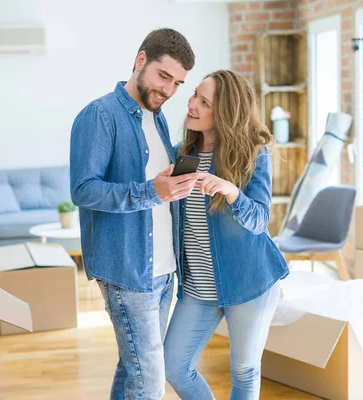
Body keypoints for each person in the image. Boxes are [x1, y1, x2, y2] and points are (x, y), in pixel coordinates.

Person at [69, 28, 198, 399]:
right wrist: (150, 192)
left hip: (162, 269)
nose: (169, 91)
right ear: (141, 60)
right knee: (149, 382)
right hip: (127, 271)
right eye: (163, 76)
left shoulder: (156, 117)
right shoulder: (99, 115)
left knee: (133, 370)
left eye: (177, 83)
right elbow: (83, 189)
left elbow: (156, 180)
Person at [164, 70, 289, 400]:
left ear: (224, 113)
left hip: (250, 281)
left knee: (244, 371)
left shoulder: (253, 154)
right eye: (194, 96)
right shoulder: (182, 155)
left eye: (204, 103)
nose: (191, 105)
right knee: (174, 366)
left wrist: (232, 192)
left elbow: (261, 220)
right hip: (198, 286)